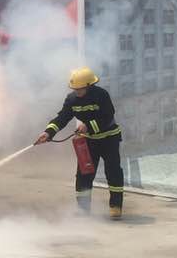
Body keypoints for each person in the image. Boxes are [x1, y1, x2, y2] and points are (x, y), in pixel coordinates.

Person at [34, 66, 125, 220]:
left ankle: (115, 207)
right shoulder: (72, 99)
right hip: (89, 141)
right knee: (84, 174)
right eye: (74, 89)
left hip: (109, 139)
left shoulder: (101, 95)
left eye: (80, 89)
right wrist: (48, 132)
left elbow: (108, 117)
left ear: (89, 86)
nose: (77, 92)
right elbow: (62, 117)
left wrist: (88, 126)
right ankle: (83, 209)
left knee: (113, 172)